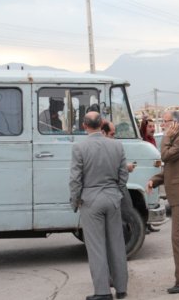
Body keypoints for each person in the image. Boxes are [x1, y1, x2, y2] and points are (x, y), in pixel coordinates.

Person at [69, 111, 128, 300]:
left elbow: (75, 179)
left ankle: (102, 292)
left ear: (84, 126)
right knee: (117, 244)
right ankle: (121, 288)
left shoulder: (79, 147)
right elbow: (123, 175)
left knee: (96, 248)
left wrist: (75, 201)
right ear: (102, 124)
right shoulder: (117, 145)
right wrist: (117, 193)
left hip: (91, 199)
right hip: (112, 198)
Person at [146, 111, 179, 294]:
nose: (163, 125)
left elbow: (165, 157)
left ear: (175, 123)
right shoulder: (177, 140)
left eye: (165, 122)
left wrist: (166, 138)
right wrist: (155, 180)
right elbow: (172, 168)